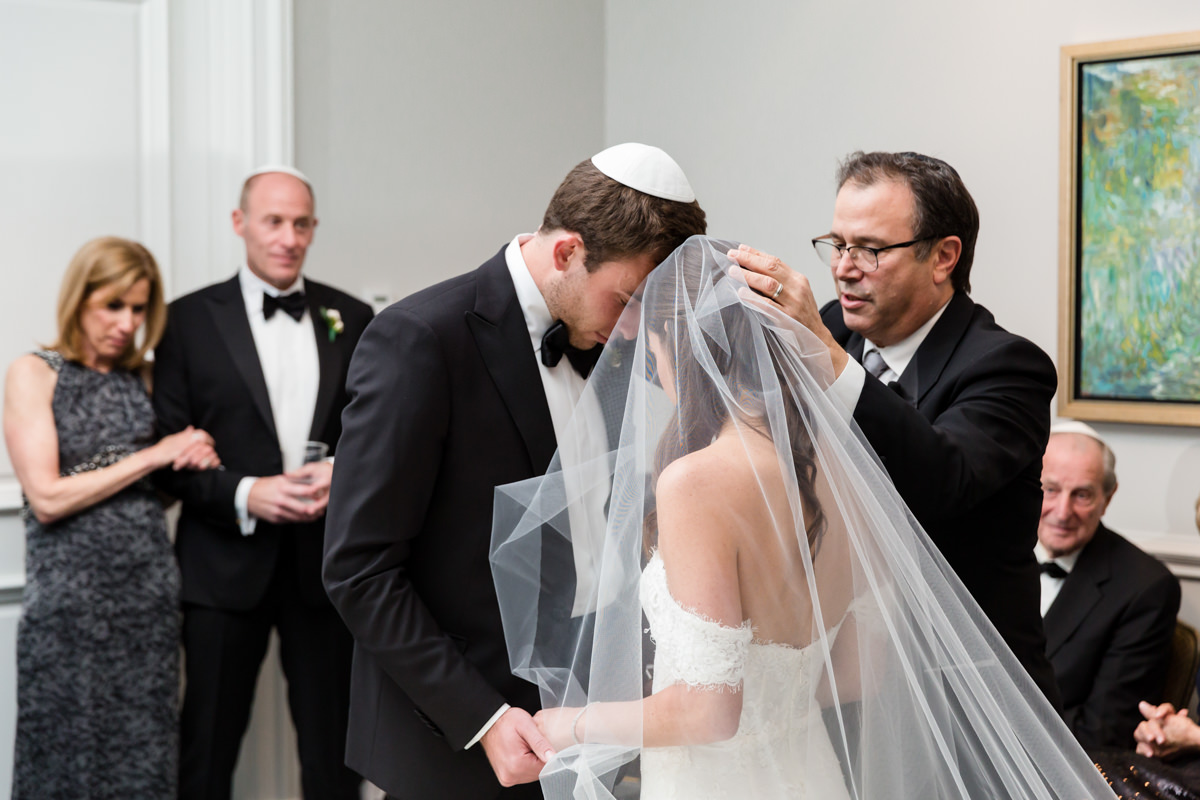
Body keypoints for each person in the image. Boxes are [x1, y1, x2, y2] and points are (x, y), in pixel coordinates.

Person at [489, 236, 1112, 800]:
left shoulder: (695, 482)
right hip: (814, 773)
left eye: (657, 355)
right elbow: (858, 667)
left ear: (686, 351)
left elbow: (709, 713)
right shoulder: (847, 474)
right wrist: (775, 697)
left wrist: (570, 723)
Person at [323, 143, 708, 799]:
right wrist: (483, 718)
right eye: (626, 298)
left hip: (594, 722)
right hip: (464, 734)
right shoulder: (419, 340)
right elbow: (359, 568)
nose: (638, 328)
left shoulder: (610, 330)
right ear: (566, 253)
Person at [728, 150, 1061, 704]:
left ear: (943, 256)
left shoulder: (1008, 367)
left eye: (871, 250)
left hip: (966, 693)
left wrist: (825, 357)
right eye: (837, 244)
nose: (843, 267)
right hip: (835, 683)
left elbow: (941, 482)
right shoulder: (832, 330)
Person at [153, 166, 373, 799]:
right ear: (239, 223)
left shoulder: (350, 316)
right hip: (221, 570)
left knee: (335, 756)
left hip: (326, 573)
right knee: (207, 750)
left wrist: (338, 473)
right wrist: (248, 493)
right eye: (274, 221)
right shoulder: (184, 321)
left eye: (301, 223)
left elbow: (374, 435)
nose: (288, 237)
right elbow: (168, 452)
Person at [3, 237, 220, 799]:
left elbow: (146, 496)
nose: (127, 323)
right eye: (113, 306)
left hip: (146, 600)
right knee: (62, 756)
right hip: (69, 610)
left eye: (140, 308)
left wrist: (184, 463)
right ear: (80, 300)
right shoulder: (34, 373)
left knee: (146, 760)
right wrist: (154, 453)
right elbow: (47, 497)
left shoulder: (144, 379)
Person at [1037, 421, 1179, 749]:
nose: (1062, 512)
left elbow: (1103, 731)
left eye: (1082, 495)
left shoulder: (1146, 587)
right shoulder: (987, 554)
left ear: (1107, 497)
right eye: (1050, 489)